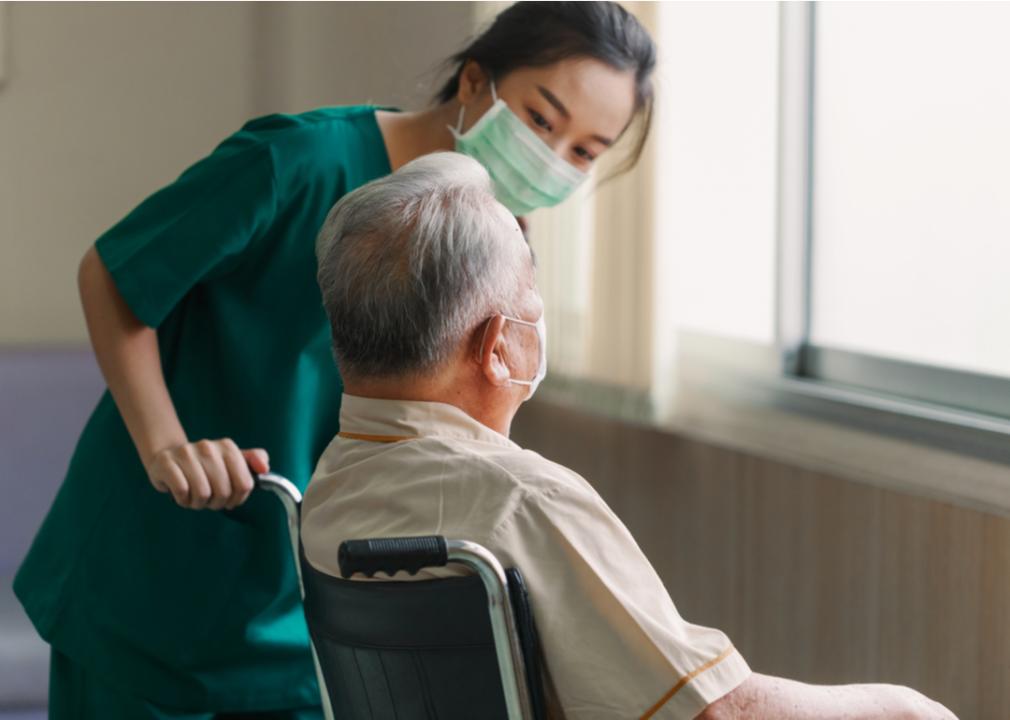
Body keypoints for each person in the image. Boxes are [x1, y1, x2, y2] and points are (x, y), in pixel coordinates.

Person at [13, 3, 657, 718]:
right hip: (153, 582)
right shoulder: (297, 163)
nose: (552, 159)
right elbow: (113, 273)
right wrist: (167, 446)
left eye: (584, 151)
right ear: (476, 81)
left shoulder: (495, 244)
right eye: (541, 120)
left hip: (308, 616)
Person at [302, 151, 958, 720]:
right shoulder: (519, 503)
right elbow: (714, 712)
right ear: (500, 346)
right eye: (533, 303)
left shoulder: (328, 491)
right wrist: (903, 706)